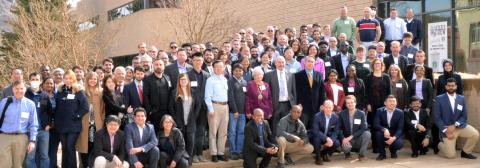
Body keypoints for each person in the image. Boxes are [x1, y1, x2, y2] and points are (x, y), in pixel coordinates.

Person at [433, 78, 479, 159]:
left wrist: (455, 125)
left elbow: (464, 116)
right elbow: (437, 117)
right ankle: (440, 145)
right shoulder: (439, 99)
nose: (451, 87)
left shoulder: (461, 98)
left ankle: (466, 152)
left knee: (475, 134)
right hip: (447, 129)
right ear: (446, 87)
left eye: (453, 86)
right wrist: (445, 131)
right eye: (449, 86)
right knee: (451, 155)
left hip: (459, 126)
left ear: (456, 86)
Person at [54, 70, 89, 168]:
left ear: (73, 79)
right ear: (63, 79)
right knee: (64, 148)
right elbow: (55, 107)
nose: (68, 80)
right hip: (61, 125)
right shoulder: (59, 91)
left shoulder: (78, 91)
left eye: (70, 78)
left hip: (73, 126)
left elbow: (85, 108)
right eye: (66, 78)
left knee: (70, 147)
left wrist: (76, 116)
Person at [0, 81, 38, 168]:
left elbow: (33, 124)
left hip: (21, 138)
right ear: (13, 89)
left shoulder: (30, 104)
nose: (19, 91)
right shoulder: (5, 102)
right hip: (4, 137)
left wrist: (32, 141)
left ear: (25, 89)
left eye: (21, 88)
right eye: (16, 88)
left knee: (18, 165)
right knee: (3, 164)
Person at [168, 74, 200, 166]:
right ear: (179, 81)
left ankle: (189, 160)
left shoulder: (193, 92)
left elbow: (198, 105)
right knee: (181, 143)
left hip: (191, 122)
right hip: (179, 122)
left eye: (185, 79)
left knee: (191, 141)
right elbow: (171, 107)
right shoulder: (174, 92)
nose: (183, 81)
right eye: (181, 79)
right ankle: (182, 160)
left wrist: (194, 116)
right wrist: (175, 120)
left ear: (188, 80)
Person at [187, 52, 211, 163]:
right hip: (192, 108)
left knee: (201, 131)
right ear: (192, 61)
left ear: (202, 61)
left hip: (203, 108)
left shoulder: (207, 75)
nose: (198, 62)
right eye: (195, 60)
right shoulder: (187, 74)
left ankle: (200, 154)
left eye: (200, 60)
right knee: (192, 132)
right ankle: (192, 155)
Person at [25, 73, 53, 168]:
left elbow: (50, 111)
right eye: (33, 79)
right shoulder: (25, 94)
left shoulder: (44, 95)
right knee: (30, 157)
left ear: (41, 81)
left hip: (43, 131)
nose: (34, 81)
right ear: (29, 81)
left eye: (37, 79)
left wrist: (49, 124)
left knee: (44, 156)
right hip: (29, 131)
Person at [78, 72, 106, 167]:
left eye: (95, 79)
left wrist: (102, 121)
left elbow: (103, 109)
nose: (93, 81)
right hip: (85, 124)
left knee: (95, 147)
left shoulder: (101, 91)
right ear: (87, 79)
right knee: (85, 147)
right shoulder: (82, 91)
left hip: (97, 124)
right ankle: (85, 165)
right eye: (91, 78)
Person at [263, 56, 296, 136]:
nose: (281, 64)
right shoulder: (268, 75)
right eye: (279, 62)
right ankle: (275, 142)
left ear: (285, 63)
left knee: (286, 124)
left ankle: (285, 141)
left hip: (287, 104)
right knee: (274, 124)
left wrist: (294, 104)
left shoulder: (290, 74)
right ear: (275, 63)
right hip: (275, 104)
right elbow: (266, 92)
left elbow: (293, 90)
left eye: (282, 62)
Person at [204, 60, 230, 162]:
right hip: (215, 106)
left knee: (223, 132)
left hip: (225, 106)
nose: (219, 69)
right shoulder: (210, 80)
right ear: (213, 69)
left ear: (224, 68)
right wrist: (210, 109)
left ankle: (221, 153)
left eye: (221, 67)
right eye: (217, 67)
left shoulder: (225, 79)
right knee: (213, 131)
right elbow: (207, 96)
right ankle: (214, 153)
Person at [365, 58, 391, 152]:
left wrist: (388, 103)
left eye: (379, 63)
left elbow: (389, 92)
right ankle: (375, 147)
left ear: (382, 65)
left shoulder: (386, 77)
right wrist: (367, 103)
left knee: (383, 124)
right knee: (373, 125)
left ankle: (382, 145)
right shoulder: (368, 77)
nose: (377, 65)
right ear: (373, 65)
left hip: (383, 105)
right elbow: (366, 92)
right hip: (372, 105)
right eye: (375, 63)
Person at [295, 56, 326, 129]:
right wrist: (298, 103)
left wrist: (322, 104)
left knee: (315, 127)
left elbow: (322, 91)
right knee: (303, 127)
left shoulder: (319, 75)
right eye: (308, 61)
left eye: (312, 62)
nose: (310, 63)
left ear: (314, 63)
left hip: (316, 106)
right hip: (303, 106)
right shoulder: (297, 75)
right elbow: (296, 91)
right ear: (305, 62)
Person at [143, 59, 173, 132]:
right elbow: (145, 96)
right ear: (153, 66)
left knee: (167, 132)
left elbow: (171, 93)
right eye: (156, 65)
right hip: (155, 113)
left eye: (160, 65)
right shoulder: (147, 79)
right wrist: (149, 110)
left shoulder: (167, 78)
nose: (158, 66)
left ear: (164, 66)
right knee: (156, 133)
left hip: (167, 112)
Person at [338, 95, 370, 161]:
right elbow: (339, 128)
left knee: (367, 134)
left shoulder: (361, 113)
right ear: (346, 104)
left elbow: (363, 128)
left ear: (355, 103)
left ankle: (361, 155)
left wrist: (352, 136)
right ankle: (347, 154)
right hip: (346, 139)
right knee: (346, 147)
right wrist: (343, 138)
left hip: (357, 138)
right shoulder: (342, 114)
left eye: (352, 102)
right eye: (348, 103)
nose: (350, 104)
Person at [374, 95, 404, 161]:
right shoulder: (379, 111)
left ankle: (393, 151)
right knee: (378, 134)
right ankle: (382, 154)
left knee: (399, 144)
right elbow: (376, 124)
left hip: (395, 133)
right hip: (384, 133)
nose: (392, 103)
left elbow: (400, 128)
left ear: (396, 103)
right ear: (385, 103)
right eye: (390, 101)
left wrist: (394, 138)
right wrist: (384, 129)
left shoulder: (400, 112)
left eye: (394, 101)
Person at [227, 64, 247, 160]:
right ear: (233, 71)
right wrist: (235, 110)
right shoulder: (230, 81)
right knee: (232, 132)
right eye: (236, 70)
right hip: (233, 112)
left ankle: (239, 151)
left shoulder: (244, 82)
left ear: (243, 71)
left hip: (243, 112)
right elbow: (230, 97)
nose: (238, 72)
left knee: (241, 132)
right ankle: (233, 151)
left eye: (240, 70)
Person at [312, 100, 340, 165]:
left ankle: (325, 154)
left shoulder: (336, 117)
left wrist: (331, 140)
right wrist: (326, 138)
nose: (328, 109)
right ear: (323, 107)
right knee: (316, 138)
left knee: (337, 143)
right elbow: (316, 131)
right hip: (319, 136)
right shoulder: (317, 116)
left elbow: (336, 131)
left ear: (332, 107)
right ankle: (318, 157)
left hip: (328, 136)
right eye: (326, 107)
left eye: (330, 107)